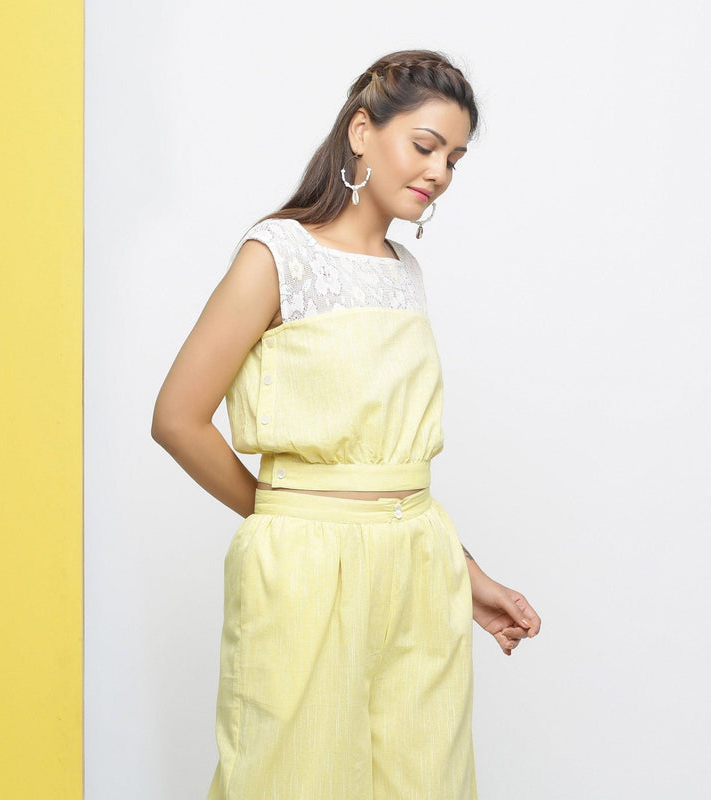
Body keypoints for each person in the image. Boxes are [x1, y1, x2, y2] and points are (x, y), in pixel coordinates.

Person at [152, 48, 541, 800]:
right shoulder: (278, 255)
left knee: (423, 778)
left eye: (455, 159)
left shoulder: (404, 271)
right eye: (425, 146)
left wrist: (469, 575)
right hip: (302, 569)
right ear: (362, 131)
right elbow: (177, 417)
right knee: (289, 778)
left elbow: (388, 466)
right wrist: (283, 514)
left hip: (418, 566)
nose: (439, 173)